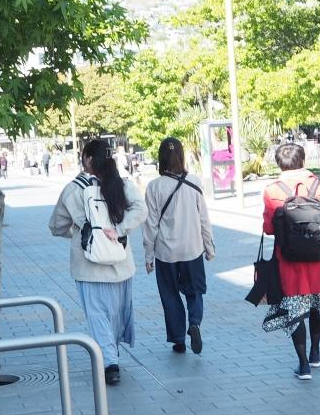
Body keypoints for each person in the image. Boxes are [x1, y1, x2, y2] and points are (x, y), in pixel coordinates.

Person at [49, 139, 144, 385]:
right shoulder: (122, 184)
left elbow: (56, 226)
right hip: (120, 263)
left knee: (97, 315)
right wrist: (119, 229)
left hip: (88, 266)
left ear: (88, 159)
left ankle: (110, 362)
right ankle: (111, 353)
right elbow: (140, 209)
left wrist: (81, 232)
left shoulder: (74, 189)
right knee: (116, 314)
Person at [262, 142, 320, 381]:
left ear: (279, 163)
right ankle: (315, 353)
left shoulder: (272, 190)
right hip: (318, 260)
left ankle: (303, 365)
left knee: (295, 311)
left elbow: (268, 228)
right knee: (317, 306)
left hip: (288, 261)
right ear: (302, 160)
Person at [143, 138, 215, 355]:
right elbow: (204, 218)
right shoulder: (194, 182)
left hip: (165, 252)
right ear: (182, 156)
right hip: (192, 249)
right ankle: (194, 323)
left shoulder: (154, 186)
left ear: (160, 158)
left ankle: (178, 340)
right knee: (194, 291)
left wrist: (148, 255)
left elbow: (151, 225)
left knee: (170, 294)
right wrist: (209, 246)